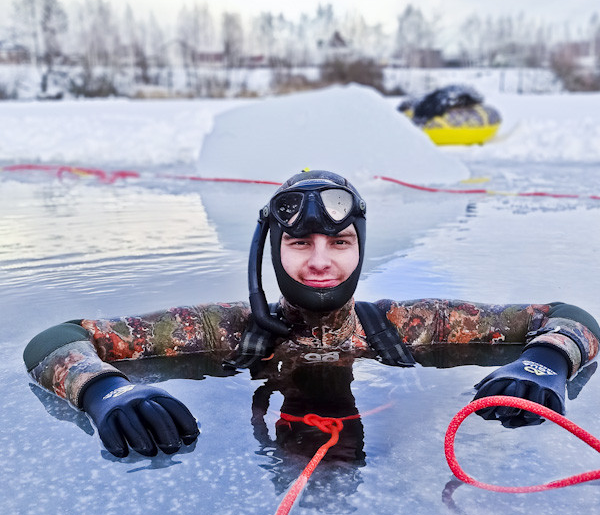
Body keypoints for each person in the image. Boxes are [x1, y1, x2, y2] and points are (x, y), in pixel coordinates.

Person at [23, 170, 600, 459]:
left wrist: (545, 363)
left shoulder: (408, 323)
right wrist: (104, 391)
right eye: (300, 245)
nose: (321, 262)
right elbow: (58, 339)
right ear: (272, 252)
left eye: (340, 243)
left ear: (362, 248)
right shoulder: (222, 329)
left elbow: (564, 315)